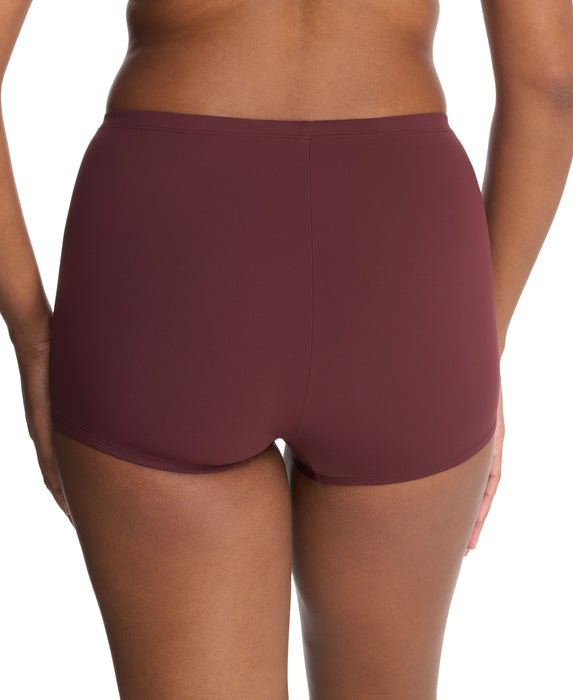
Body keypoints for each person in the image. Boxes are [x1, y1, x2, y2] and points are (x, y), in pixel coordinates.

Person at [2, 0, 573, 698]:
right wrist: (480, 334)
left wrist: (34, 339)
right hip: (404, 248)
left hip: (173, 252)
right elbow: (552, 86)